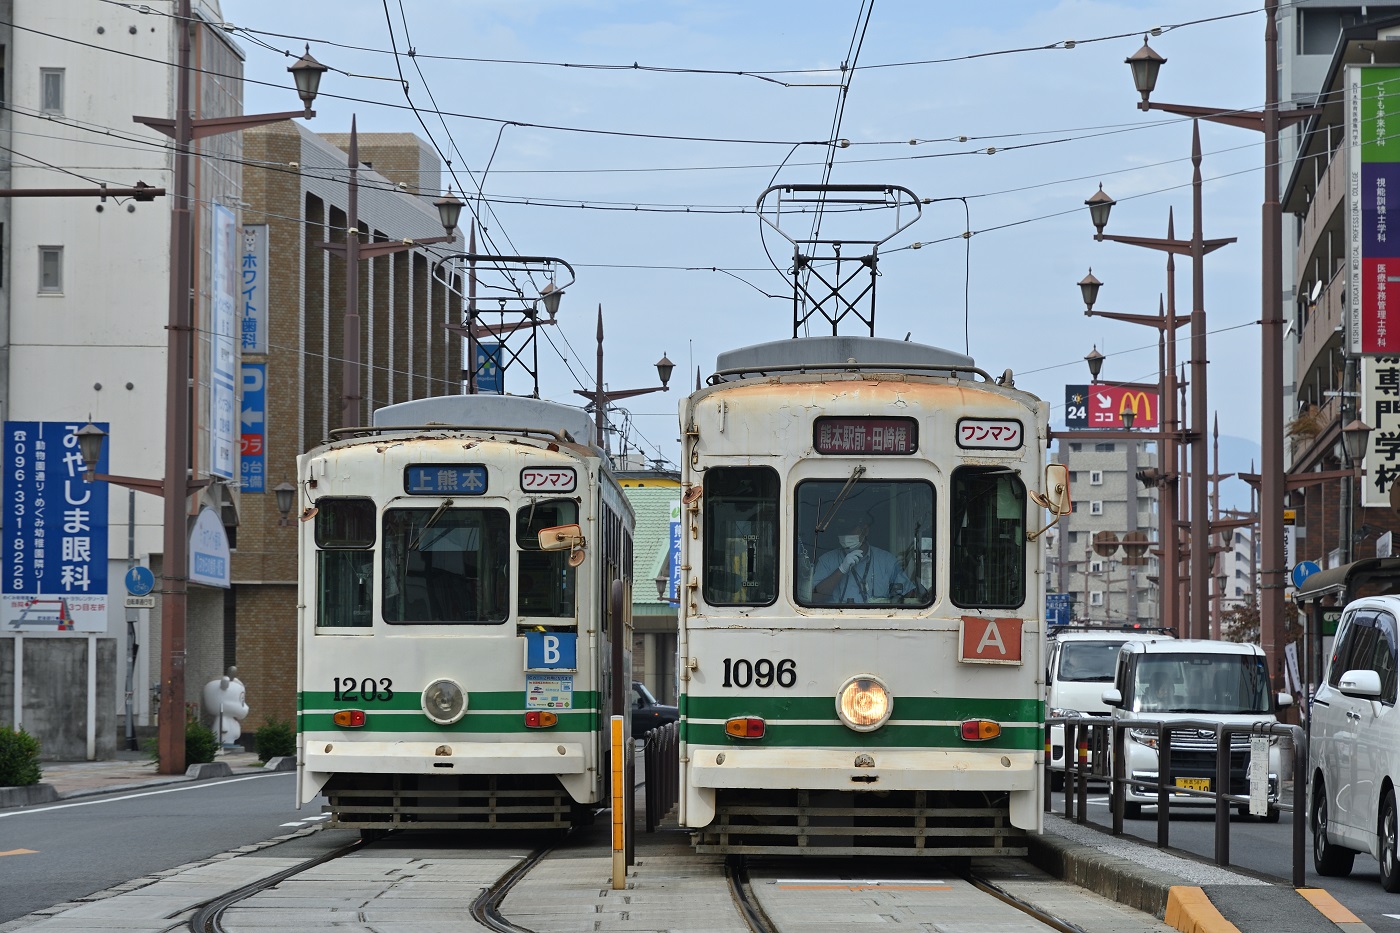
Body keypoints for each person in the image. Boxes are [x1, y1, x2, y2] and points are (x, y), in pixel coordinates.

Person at [810, 512, 921, 604]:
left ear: (865, 530)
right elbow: (815, 598)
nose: (846, 534)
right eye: (842, 531)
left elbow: (909, 595)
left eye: (850, 529)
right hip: (837, 621)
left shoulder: (886, 560)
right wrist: (841, 570)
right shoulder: (827, 560)